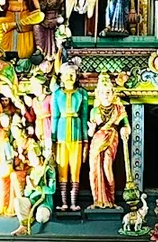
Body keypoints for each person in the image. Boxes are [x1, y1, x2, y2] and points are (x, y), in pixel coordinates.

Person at [87, 73, 130, 209]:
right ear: (97, 94)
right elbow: (90, 133)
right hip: (97, 140)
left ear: (113, 93)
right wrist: (91, 128)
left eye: (108, 92)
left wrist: (125, 129)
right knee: (95, 169)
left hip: (111, 137)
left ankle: (110, 199)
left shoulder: (118, 109)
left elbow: (126, 125)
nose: (105, 95)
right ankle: (98, 200)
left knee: (107, 167)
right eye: (102, 92)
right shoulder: (94, 110)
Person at [52, 62, 90, 211]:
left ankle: (74, 202)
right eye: (67, 74)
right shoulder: (57, 94)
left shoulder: (82, 93)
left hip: (77, 136)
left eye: (72, 74)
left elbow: (84, 115)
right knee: (62, 170)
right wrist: (53, 139)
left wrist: (86, 140)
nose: (69, 77)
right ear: (61, 76)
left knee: (75, 170)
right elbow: (55, 116)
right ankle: (63, 202)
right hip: (61, 137)